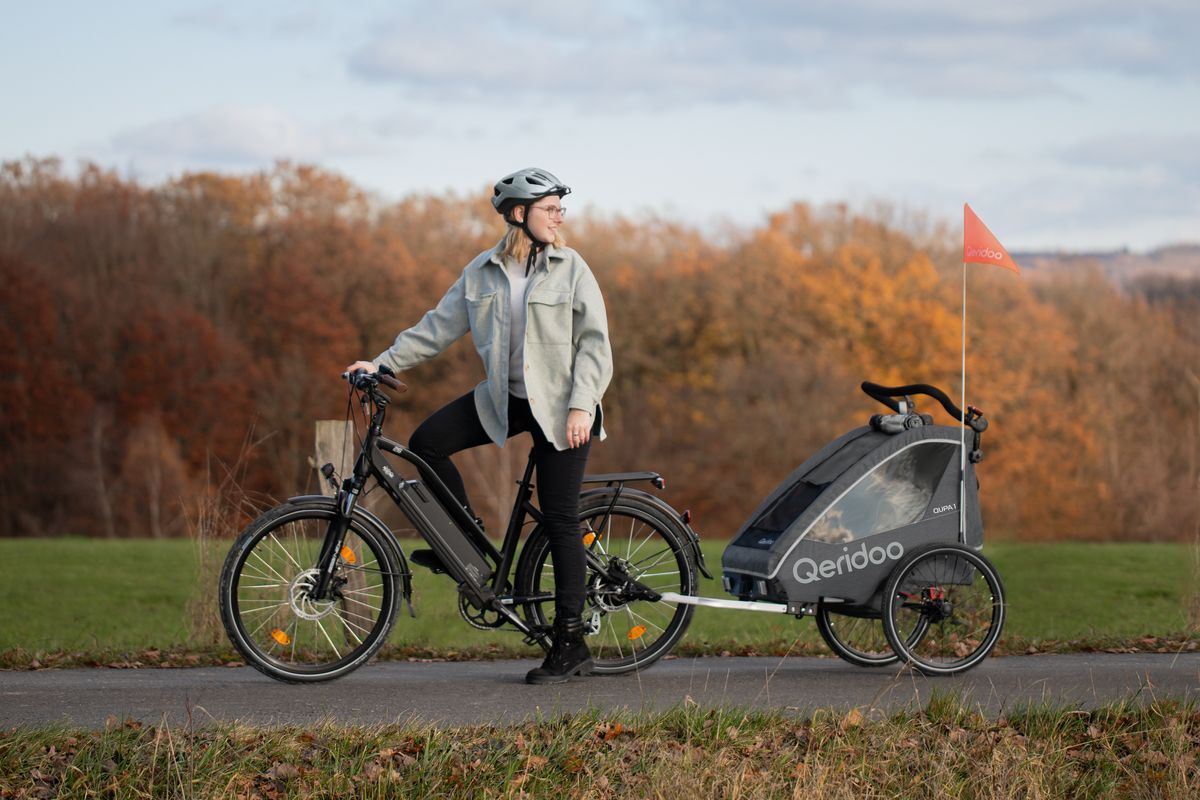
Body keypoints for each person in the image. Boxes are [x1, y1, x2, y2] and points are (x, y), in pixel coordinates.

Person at [345, 168, 613, 685]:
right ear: (519, 214)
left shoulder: (572, 268)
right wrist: (380, 364)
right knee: (427, 443)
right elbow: (436, 327)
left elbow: (595, 345)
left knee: (560, 518)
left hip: (562, 409)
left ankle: (571, 643)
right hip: (504, 400)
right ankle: (463, 541)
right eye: (550, 208)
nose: (560, 216)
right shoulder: (483, 272)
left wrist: (582, 406)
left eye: (561, 208)